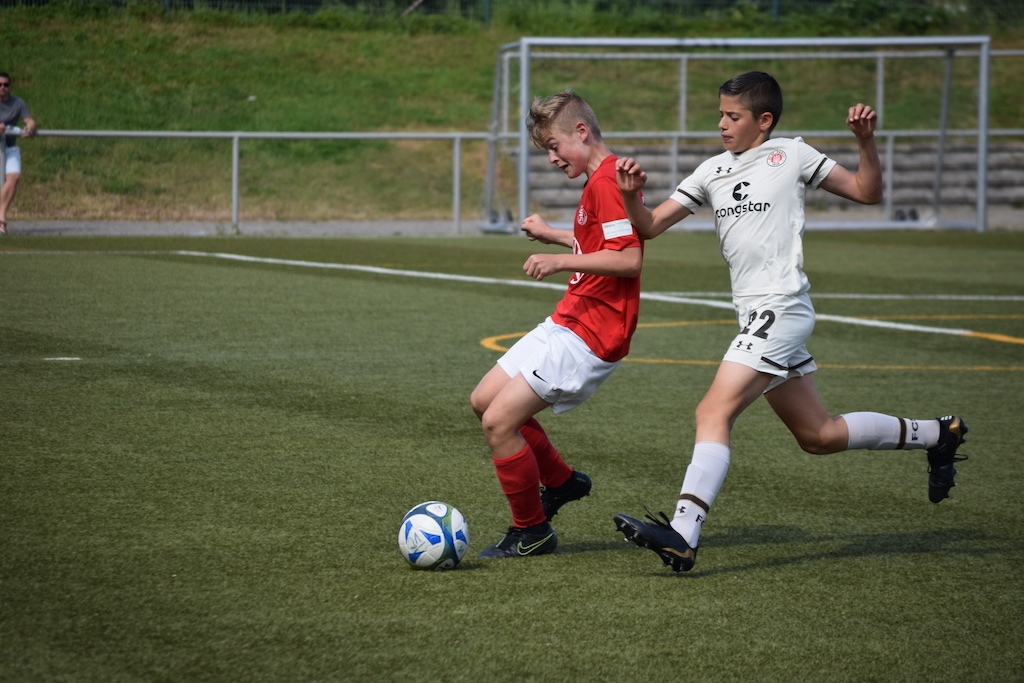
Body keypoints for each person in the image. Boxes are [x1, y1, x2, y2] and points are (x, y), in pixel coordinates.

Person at [612, 71, 968, 573]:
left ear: (764, 121)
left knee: (712, 411)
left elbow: (867, 192)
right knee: (818, 435)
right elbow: (648, 226)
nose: (721, 124)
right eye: (720, 114)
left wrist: (865, 142)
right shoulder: (711, 170)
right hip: (756, 313)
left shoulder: (792, 155)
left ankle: (683, 534)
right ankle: (938, 433)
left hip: (781, 307)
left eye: (733, 116)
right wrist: (632, 194)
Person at [470, 90, 644, 559]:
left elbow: (628, 259)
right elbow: (601, 243)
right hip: (570, 317)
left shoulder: (609, 182)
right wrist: (554, 235)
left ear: (581, 132)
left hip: (591, 335)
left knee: (499, 424)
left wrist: (558, 260)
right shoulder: (599, 180)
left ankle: (532, 531)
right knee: (483, 401)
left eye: (554, 146)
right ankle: (563, 482)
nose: (551, 158)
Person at [0, 71, 37, 236]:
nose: (2, 87)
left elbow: (29, 120)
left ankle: (1, 218)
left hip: (9, 146)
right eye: (0, 85)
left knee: (14, 177)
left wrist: (30, 128)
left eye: (6, 85)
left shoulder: (17, 102)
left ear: (10, 86)